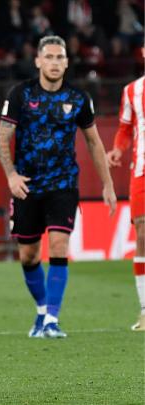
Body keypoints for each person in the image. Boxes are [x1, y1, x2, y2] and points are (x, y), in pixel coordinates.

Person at [0, 35, 117, 339]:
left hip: (63, 184)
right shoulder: (21, 94)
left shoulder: (78, 98)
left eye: (59, 57)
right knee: (29, 255)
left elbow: (94, 142)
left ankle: (51, 319)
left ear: (66, 61)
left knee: (60, 246)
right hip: (27, 186)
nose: (54, 62)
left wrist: (108, 184)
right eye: (48, 57)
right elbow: (1, 139)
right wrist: (11, 175)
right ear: (38, 60)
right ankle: (41, 312)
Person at [106, 46, 145, 331]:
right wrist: (118, 149)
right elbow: (124, 128)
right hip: (141, 170)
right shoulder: (132, 91)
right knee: (142, 233)